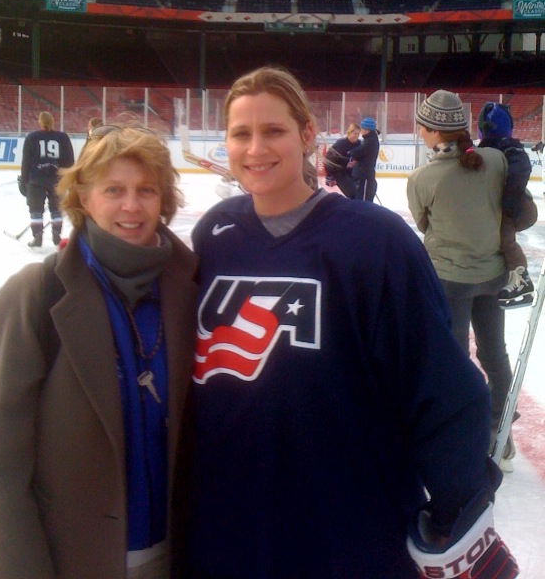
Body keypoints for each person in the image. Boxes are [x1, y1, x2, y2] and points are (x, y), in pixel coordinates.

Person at [185, 67, 517, 579]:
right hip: (231, 526)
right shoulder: (216, 234)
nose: (256, 148)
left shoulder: (374, 240)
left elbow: (443, 389)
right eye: (240, 134)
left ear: (305, 135)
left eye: (273, 130)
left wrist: (459, 509)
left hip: (350, 531)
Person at [0, 124, 199, 579]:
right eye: (113, 189)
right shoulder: (35, 295)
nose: (131, 206)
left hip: (183, 559)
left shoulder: (192, 290)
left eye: (146, 190)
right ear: (83, 197)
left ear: (164, 200)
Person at [407, 89, 516, 471]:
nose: (420, 133)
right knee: (494, 354)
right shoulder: (496, 160)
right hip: (492, 275)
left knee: (454, 361)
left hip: (450, 279)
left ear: (435, 131)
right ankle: (501, 438)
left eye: (422, 128)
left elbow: (423, 224)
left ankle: (461, 438)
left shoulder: (423, 177)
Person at [477, 101, 537, 306]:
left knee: (504, 238)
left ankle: (522, 279)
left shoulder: (511, 149)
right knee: (498, 236)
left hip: (518, 208)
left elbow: (520, 171)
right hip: (509, 205)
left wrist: (508, 201)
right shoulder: (489, 150)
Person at [19, 111, 75, 247]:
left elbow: (26, 161)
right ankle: (57, 235)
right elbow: (69, 160)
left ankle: (37, 237)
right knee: (56, 209)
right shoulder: (62, 137)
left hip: (36, 179)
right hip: (56, 179)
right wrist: (67, 178)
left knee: (35, 209)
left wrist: (24, 179)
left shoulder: (32, 137)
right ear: (52, 121)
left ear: (40, 121)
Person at [323, 122, 360, 198]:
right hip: (339, 172)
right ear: (349, 133)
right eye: (354, 133)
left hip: (352, 173)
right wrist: (329, 175)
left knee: (358, 193)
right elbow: (328, 158)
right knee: (352, 193)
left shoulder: (359, 144)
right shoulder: (340, 144)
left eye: (358, 134)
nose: (356, 136)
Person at [348, 115, 380, 201]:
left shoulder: (370, 141)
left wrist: (351, 151)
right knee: (360, 200)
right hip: (363, 175)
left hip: (365, 176)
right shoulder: (369, 139)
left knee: (363, 202)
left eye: (362, 129)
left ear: (366, 130)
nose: (361, 131)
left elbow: (357, 152)